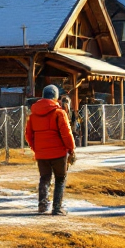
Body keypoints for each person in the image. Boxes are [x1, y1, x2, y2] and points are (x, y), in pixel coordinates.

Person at [25, 85, 77, 215]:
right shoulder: (59, 113)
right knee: (60, 178)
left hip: (41, 153)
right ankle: (57, 208)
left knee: (44, 178)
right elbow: (67, 134)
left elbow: (28, 135)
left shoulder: (33, 114)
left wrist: (35, 148)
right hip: (58, 153)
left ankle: (42, 205)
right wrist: (71, 149)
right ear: (55, 97)